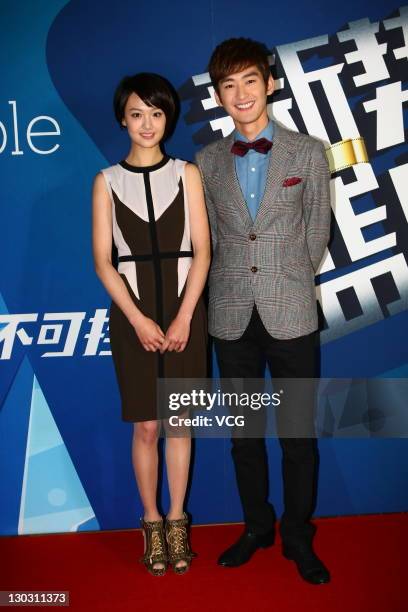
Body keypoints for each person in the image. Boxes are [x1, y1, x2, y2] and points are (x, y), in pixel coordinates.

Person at [195, 38, 331, 584]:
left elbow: (316, 233)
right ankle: (257, 526)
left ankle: (298, 534)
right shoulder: (205, 162)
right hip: (230, 317)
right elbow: (208, 241)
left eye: (249, 80)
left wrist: (287, 282)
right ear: (219, 96)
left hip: (291, 313)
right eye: (228, 85)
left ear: (269, 83)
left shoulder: (308, 152)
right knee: (243, 436)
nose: (241, 93)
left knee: (298, 435)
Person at [92, 73, 210, 576]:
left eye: (157, 113)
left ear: (169, 119)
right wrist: (139, 319)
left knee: (179, 423)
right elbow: (103, 261)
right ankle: (151, 520)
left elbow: (203, 251)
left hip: (185, 314)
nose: (147, 123)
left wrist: (184, 316)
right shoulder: (105, 182)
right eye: (137, 113)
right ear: (123, 118)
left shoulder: (187, 174)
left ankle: (179, 520)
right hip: (133, 317)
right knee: (147, 426)